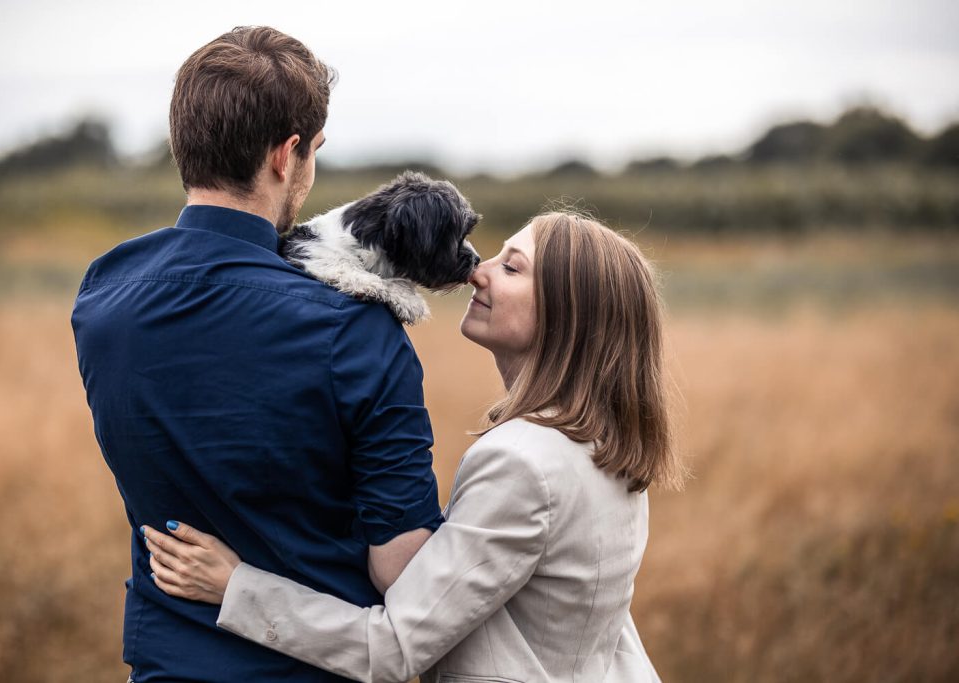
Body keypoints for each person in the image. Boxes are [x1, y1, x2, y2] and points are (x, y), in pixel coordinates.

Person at [141, 213, 684, 682]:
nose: (478, 270)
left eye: (511, 268)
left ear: (569, 314)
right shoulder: (605, 450)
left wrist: (234, 587)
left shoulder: (522, 462)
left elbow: (393, 647)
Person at [72, 27, 445, 682]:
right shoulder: (355, 327)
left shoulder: (103, 294)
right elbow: (402, 568)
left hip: (164, 667)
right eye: (314, 152)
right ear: (285, 154)